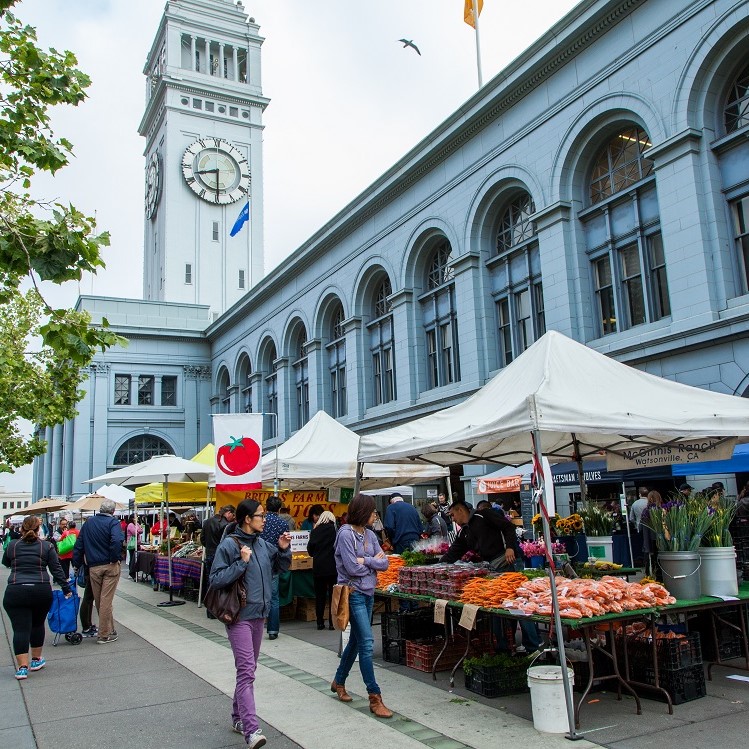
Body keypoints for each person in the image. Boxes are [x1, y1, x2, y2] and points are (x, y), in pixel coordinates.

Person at [210, 500, 291, 749]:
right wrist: (240, 563)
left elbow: (281, 568)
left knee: (248, 669)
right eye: (260, 516)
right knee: (246, 671)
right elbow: (215, 578)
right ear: (247, 519)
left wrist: (284, 549)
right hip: (239, 616)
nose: (264, 519)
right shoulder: (229, 545)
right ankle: (251, 730)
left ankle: (237, 718)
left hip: (259, 615)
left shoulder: (263, 545)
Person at [330, 494, 392, 719]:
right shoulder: (345, 533)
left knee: (357, 641)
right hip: (353, 594)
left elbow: (384, 562)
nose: (375, 516)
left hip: (368, 592)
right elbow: (350, 568)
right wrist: (371, 565)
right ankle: (374, 697)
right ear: (362, 511)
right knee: (366, 643)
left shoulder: (369, 534)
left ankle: (339, 680)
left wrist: (366, 561)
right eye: (373, 512)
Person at [3, 515, 72, 679]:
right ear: (38, 529)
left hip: (16, 590)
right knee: (37, 624)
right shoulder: (46, 546)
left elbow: (6, 562)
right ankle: (36, 660)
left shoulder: (12, 545)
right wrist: (66, 588)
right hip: (40, 590)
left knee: (20, 629)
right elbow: (56, 570)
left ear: (21, 529)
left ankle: (22, 667)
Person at [72, 498, 124, 644]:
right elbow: (117, 540)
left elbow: (79, 545)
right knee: (105, 600)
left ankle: (109, 629)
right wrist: (115, 558)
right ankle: (104, 634)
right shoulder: (113, 523)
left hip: (93, 566)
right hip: (109, 564)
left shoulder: (88, 523)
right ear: (113, 511)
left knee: (100, 599)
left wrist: (77, 564)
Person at [441, 500, 516, 568]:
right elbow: (453, 552)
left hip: (504, 561)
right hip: (489, 566)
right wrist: (438, 565)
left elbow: (508, 526)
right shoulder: (463, 532)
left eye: (452, 515)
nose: (452, 519)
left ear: (460, 510)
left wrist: (510, 547)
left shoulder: (484, 514)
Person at [259, 495, 289, 640]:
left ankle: (256, 626)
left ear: (265, 506)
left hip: (258, 562)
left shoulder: (260, 522)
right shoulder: (283, 524)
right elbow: (286, 545)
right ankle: (273, 630)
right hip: (274, 563)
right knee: (274, 597)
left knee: (257, 594)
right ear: (279, 508)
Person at [202, 504, 236, 618]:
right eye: (232, 514)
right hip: (221, 556)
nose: (233, 517)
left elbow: (202, 539)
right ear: (228, 513)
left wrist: (209, 547)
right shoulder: (226, 525)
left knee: (210, 581)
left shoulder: (207, 522)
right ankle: (219, 609)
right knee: (222, 582)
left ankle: (209, 610)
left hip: (209, 554)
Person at [306, 510, 337, 630]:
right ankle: (332, 622)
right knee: (333, 596)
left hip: (319, 567)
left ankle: (319, 622)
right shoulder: (334, 531)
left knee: (320, 595)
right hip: (332, 567)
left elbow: (310, 550)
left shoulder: (315, 531)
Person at [640, 490, 662, 579]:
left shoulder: (646, 511)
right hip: (661, 540)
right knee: (659, 559)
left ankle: (650, 576)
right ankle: (660, 576)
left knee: (650, 560)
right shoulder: (661, 510)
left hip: (648, 539)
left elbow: (641, 527)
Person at [126, 514, 141, 580]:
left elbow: (141, 530)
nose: (137, 518)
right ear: (132, 518)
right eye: (136, 517)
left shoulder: (137, 524)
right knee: (132, 558)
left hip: (137, 543)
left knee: (135, 558)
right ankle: (131, 572)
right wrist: (138, 530)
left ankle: (135, 572)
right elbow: (134, 532)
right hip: (132, 544)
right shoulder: (130, 525)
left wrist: (138, 530)